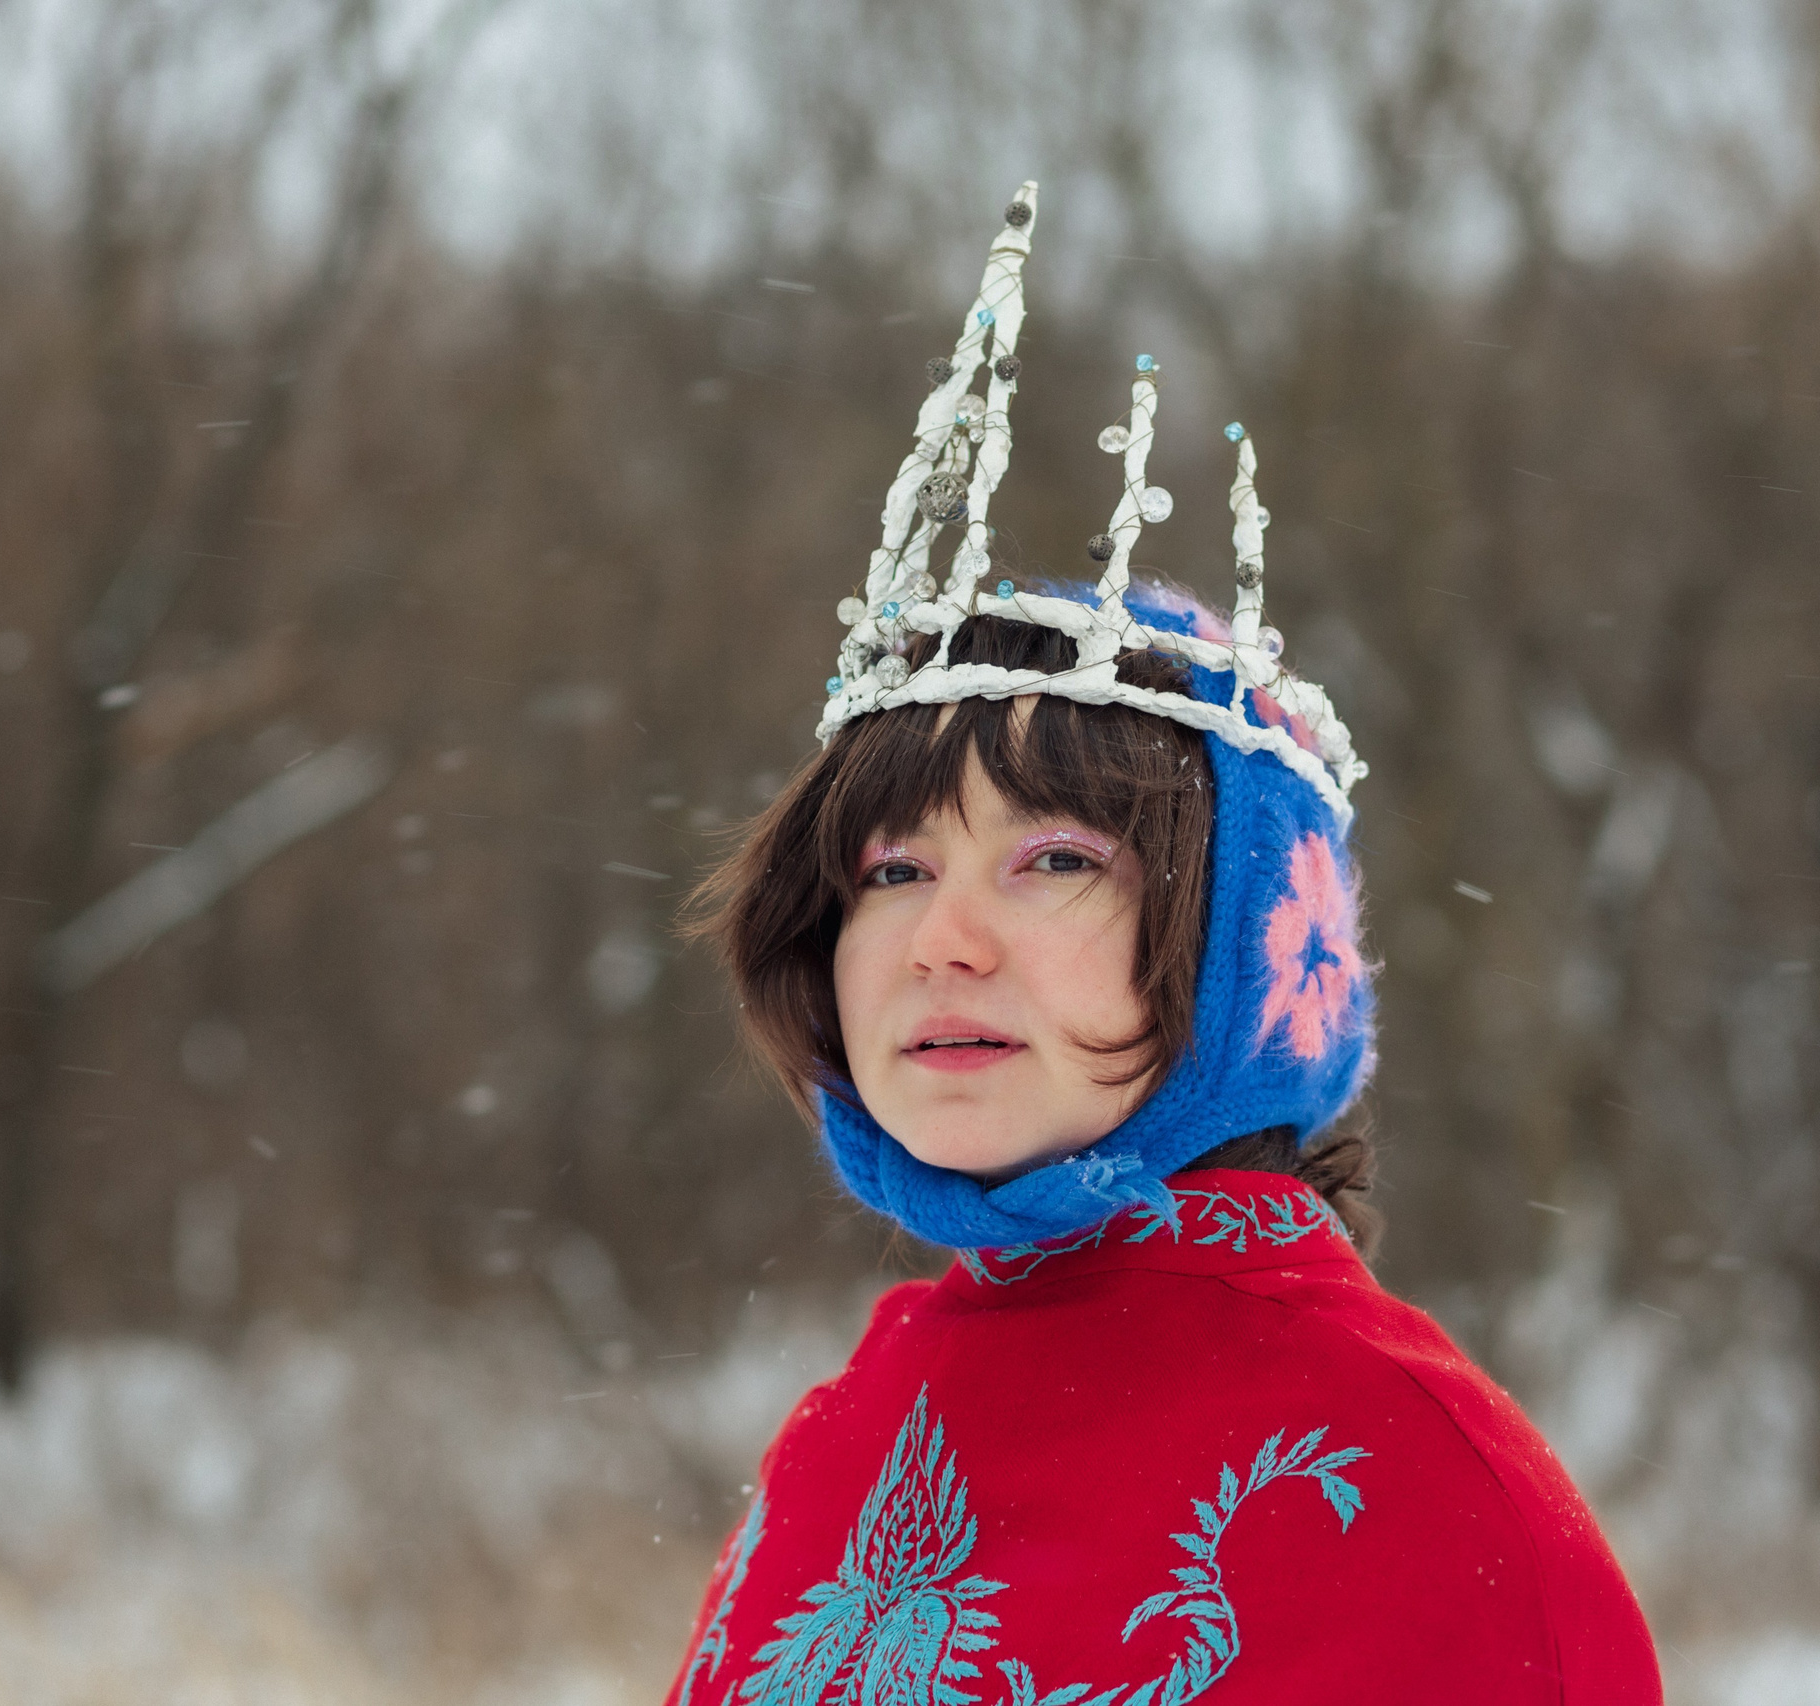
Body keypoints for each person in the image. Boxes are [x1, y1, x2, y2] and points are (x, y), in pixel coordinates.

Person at [664, 184, 1661, 1706]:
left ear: (1254, 950)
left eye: (1057, 858)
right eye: (891, 866)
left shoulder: (1417, 1482)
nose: (943, 936)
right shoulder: (845, 1445)